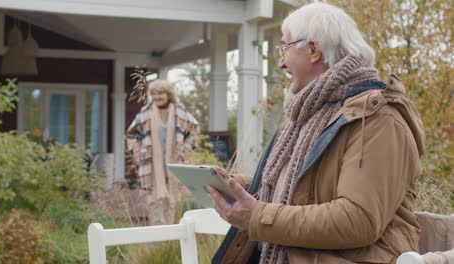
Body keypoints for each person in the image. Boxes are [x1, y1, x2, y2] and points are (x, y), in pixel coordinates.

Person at [207, 2, 425, 264]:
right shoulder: (302, 116)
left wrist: (257, 215)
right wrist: (235, 186)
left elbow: (357, 220)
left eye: (284, 47)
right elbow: (302, 187)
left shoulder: (378, 120)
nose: (280, 62)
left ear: (313, 50)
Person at [126, 79, 199, 225]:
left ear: (168, 94)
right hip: (151, 163)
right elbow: (131, 134)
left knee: (174, 198)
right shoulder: (145, 112)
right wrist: (137, 153)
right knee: (154, 199)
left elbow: (194, 129)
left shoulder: (180, 111)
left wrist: (185, 150)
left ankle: (172, 235)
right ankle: (157, 236)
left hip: (175, 162)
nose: (157, 97)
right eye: (154, 94)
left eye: (161, 93)